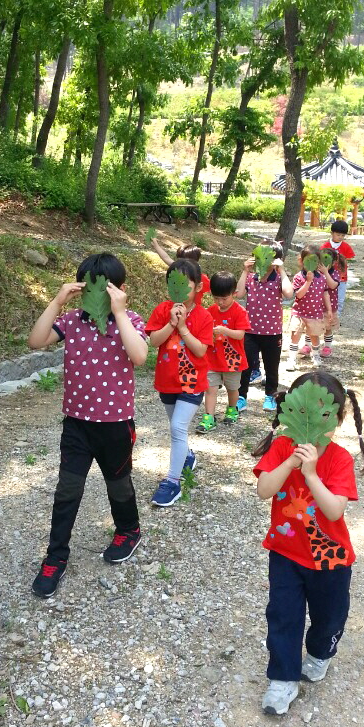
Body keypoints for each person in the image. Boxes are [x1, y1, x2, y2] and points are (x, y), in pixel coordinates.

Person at [27, 253, 148, 598]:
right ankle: (55, 556)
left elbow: (139, 357)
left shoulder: (131, 321)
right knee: (67, 490)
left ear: (120, 291)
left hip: (116, 426)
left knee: (118, 485)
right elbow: (36, 341)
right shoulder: (72, 322)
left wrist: (120, 312)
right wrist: (57, 300)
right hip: (76, 426)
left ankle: (128, 529)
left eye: (106, 290)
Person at [252, 371, 364, 715]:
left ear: (338, 419)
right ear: (291, 412)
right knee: (283, 615)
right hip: (286, 554)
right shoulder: (281, 448)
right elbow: (264, 490)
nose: (313, 425)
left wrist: (310, 474)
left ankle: (320, 654)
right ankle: (282, 679)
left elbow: (334, 510)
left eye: (324, 416)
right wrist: (290, 461)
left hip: (330, 560)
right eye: (304, 413)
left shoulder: (338, 459)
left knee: (329, 617)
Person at [145, 258, 213, 507]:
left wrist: (183, 327)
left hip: (192, 383)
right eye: (173, 282)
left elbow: (200, 351)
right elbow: (154, 342)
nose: (179, 287)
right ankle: (187, 456)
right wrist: (171, 323)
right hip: (166, 381)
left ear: (197, 287)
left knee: (177, 428)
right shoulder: (163, 309)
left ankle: (172, 482)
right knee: (176, 428)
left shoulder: (204, 316)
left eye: (185, 283)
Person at [236, 243, 293, 412]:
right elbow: (238, 294)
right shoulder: (251, 277)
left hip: (272, 332)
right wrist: (245, 270)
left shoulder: (278, 279)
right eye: (260, 256)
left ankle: (271, 395)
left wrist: (282, 270)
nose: (264, 261)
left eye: (268, 257)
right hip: (249, 331)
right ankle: (241, 396)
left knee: (271, 366)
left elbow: (289, 294)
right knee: (245, 365)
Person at [196, 272, 251, 433]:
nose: (220, 302)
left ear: (234, 294)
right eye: (216, 298)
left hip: (232, 360)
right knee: (210, 388)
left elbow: (240, 334)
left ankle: (232, 408)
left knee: (232, 388)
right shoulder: (210, 311)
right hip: (212, 359)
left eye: (224, 299)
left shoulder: (239, 311)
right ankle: (209, 417)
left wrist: (225, 330)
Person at [286, 246, 334, 372]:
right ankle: (291, 358)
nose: (311, 264)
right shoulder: (298, 277)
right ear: (301, 261)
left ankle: (315, 354)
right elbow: (298, 295)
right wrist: (308, 282)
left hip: (315, 313)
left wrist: (329, 309)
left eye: (315, 261)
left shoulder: (322, 278)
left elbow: (325, 293)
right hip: (299, 312)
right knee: (295, 334)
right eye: (308, 260)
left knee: (314, 336)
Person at [301, 248, 342, 358]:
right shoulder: (314, 273)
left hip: (330, 307)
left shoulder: (335, 273)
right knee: (311, 327)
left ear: (333, 262)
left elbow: (332, 285)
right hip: (315, 306)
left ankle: (327, 346)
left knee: (328, 328)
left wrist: (326, 273)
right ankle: (307, 345)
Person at [149, 236, 210, 306]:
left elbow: (215, 290)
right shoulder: (177, 271)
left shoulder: (200, 278)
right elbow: (166, 257)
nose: (181, 264)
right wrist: (156, 246)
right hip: (176, 308)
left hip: (193, 312)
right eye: (179, 261)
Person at [321, 220, 355, 315]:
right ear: (332, 233)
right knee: (326, 294)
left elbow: (350, 258)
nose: (340, 237)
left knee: (340, 297)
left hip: (341, 276)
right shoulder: (325, 246)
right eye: (338, 235)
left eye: (342, 235)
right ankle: (325, 313)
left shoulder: (346, 246)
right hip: (328, 274)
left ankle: (337, 314)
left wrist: (343, 260)